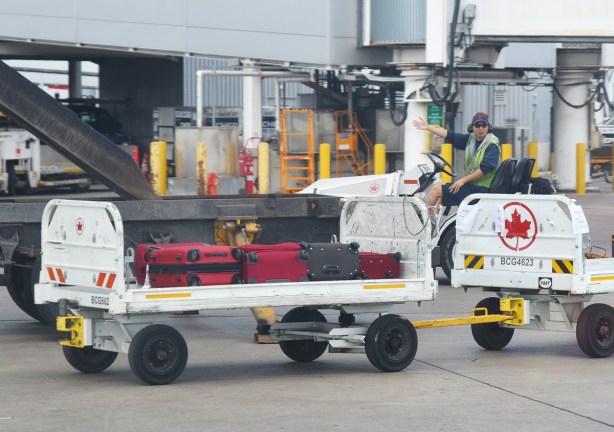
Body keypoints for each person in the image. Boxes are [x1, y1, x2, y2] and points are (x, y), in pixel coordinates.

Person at [412, 112, 501, 207]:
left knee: (436, 189)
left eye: (484, 125)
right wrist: (428, 127)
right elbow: (450, 135)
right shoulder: (471, 139)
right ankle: (433, 221)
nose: (481, 128)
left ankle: (421, 220)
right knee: (440, 192)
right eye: (477, 125)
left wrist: (462, 181)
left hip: (481, 190)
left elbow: (484, 169)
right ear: (472, 127)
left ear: (488, 127)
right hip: (473, 187)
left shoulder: (492, 144)